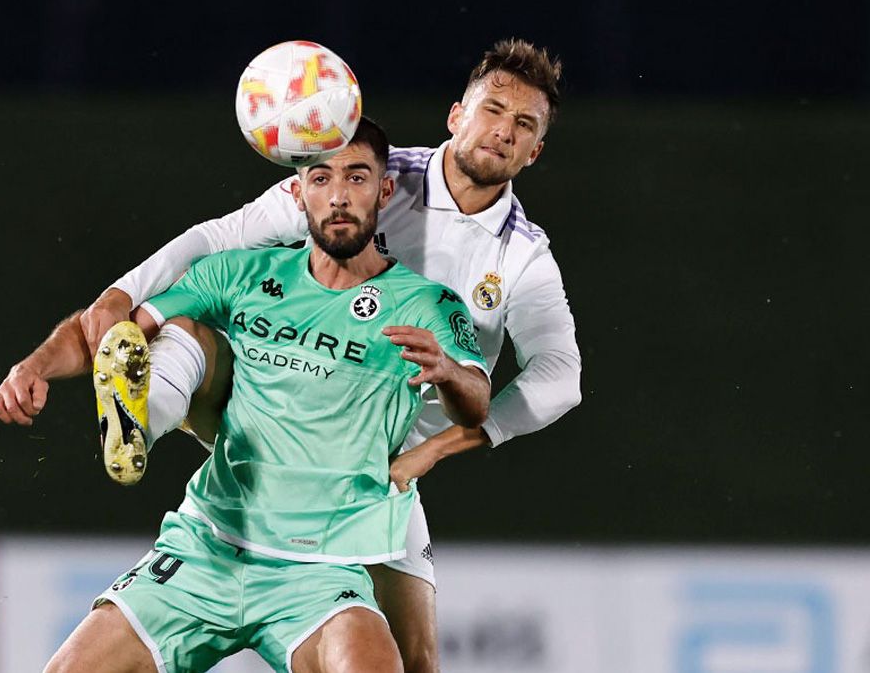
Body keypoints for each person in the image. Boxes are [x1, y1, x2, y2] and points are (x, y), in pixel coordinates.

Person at [59, 39, 583, 673]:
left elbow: (561, 380)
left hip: (381, 471)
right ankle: (142, 417)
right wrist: (122, 295)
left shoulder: (522, 258)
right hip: (291, 412)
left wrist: (433, 450)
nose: (502, 131)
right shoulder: (362, 172)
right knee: (194, 330)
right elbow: (221, 237)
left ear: (536, 151)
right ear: (456, 115)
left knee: (416, 661)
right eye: (492, 110)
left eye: (523, 125)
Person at [0, 120, 491, 672]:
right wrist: (35, 366)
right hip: (208, 545)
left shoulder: (425, 304)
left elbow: (477, 401)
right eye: (321, 178)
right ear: (298, 193)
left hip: (322, 569)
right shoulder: (244, 274)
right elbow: (111, 331)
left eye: (358, 177)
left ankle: (147, 416)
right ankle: (139, 423)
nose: (339, 196)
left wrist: (447, 372)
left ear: (384, 191)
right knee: (173, 325)